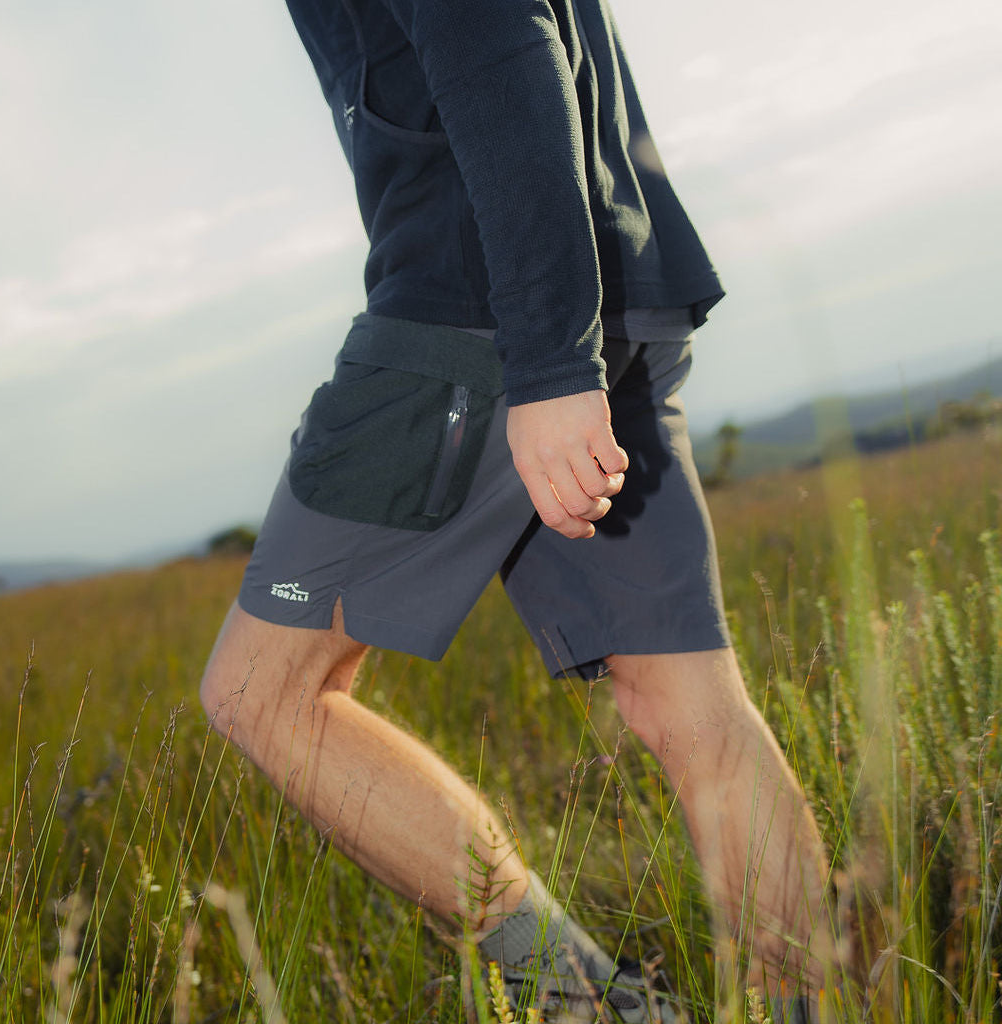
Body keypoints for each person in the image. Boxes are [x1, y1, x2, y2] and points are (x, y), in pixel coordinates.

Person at [200, 0, 837, 1020]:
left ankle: (597, 1007)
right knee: (686, 708)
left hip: (478, 319)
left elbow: (494, 41)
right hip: (612, 282)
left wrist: (551, 368)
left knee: (259, 695)